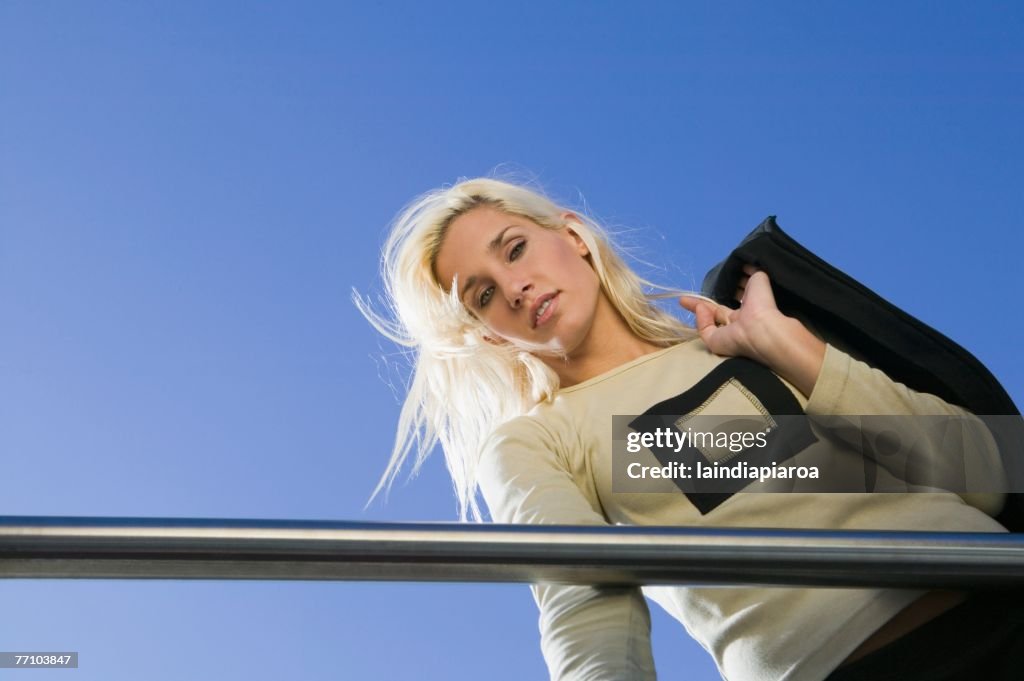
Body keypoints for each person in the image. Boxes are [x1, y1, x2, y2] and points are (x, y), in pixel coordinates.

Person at [357, 176, 1020, 681]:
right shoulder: (540, 440)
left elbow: (989, 474)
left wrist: (795, 352)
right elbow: (586, 613)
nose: (515, 286)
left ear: (574, 236)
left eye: (516, 248)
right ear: (486, 333)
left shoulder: (747, 328)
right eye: (481, 293)